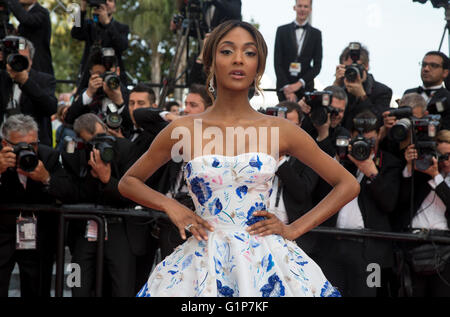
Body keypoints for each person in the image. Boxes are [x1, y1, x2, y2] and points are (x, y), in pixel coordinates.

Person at [119, 20, 359, 297]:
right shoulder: (183, 130)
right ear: (210, 62)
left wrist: (294, 229)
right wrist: (171, 206)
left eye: (249, 52)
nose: (238, 59)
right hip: (201, 262)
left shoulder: (280, 130)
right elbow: (129, 182)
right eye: (227, 51)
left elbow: (347, 184)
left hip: (266, 260)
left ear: (259, 66)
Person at [315, 110, 402, 297]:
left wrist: (372, 173)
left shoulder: (390, 163)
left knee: (370, 294)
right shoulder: (344, 161)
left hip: (371, 251)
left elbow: (389, 204)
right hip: (334, 244)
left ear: (379, 133)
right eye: (357, 132)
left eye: (369, 131)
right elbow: (320, 194)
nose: (363, 136)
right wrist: (337, 163)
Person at [0, 114, 64, 296]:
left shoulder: (49, 156)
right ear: (5, 145)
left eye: (33, 144)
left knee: (37, 287)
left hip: (38, 233)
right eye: (22, 145)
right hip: (2, 231)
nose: (30, 150)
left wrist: (46, 178)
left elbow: (69, 192)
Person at [397, 129, 450, 297]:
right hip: (415, 243)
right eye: (441, 156)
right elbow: (401, 200)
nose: (444, 161)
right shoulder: (422, 176)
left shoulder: (436, 177)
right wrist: (409, 166)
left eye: (449, 155)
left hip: (445, 248)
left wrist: (436, 177)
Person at [0, 35, 57, 147]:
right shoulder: (2, 78)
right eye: (13, 58)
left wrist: (25, 81)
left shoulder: (44, 80)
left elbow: (50, 107)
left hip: (34, 145)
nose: (17, 62)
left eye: (22, 59)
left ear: (30, 61)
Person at [333, 43, 392, 131]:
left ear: (367, 66)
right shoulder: (340, 89)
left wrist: (362, 97)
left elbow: (377, 122)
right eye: (349, 68)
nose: (353, 72)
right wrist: (335, 86)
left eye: (357, 67)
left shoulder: (382, 91)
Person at [274, 0, 322, 102]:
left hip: (306, 89)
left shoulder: (316, 34)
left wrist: (299, 84)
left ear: (310, 9)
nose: (302, 9)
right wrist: (287, 88)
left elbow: (317, 66)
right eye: (300, 6)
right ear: (294, 7)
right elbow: (277, 62)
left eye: (305, 6)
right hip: (284, 88)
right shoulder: (281, 31)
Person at [71, 0, 129, 85]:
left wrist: (107, 23)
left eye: (110, 0)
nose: (106, 3)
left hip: (113, 77)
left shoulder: (122, 28)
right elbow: (75, 33)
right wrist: (82, 9)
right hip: (89, 77)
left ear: (115, 8)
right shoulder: (89, 25)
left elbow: (122, 46)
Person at [403, 51, 450, 129]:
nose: (426, 69)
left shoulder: (448, 98)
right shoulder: (409, 93)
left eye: (433, 65)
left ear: (445, 73)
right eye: (424, 65)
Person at [6, 0, 54, 75]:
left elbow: (27, 20)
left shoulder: (42, 13)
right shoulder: (25, 16)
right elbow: (23, 43)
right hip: (23, 68)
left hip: (39, 70)